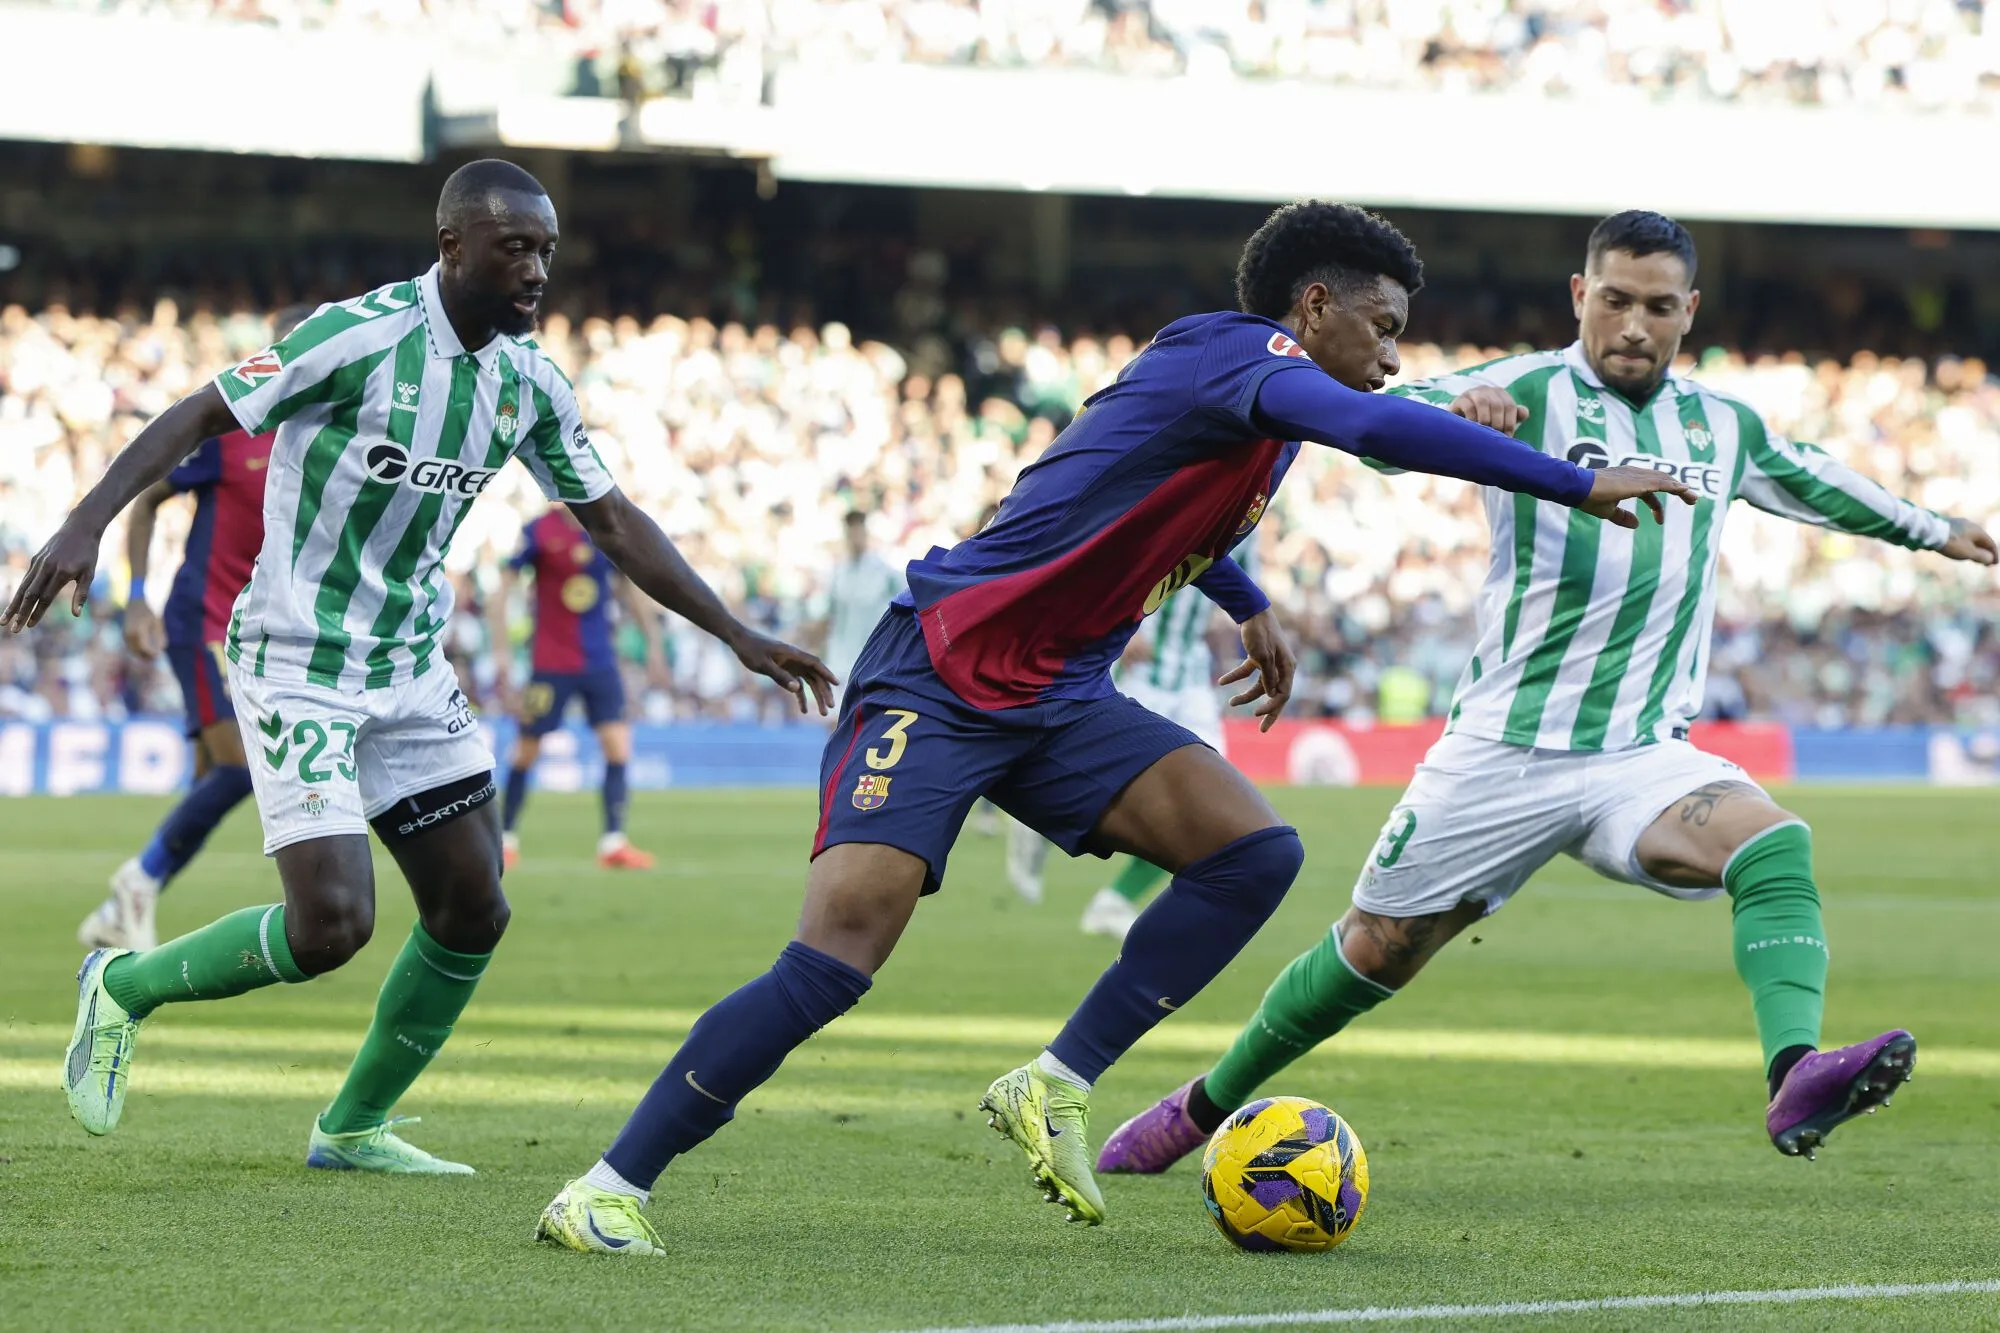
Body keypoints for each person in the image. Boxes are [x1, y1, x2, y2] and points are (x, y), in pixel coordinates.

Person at [533, 200, 1695, 1254]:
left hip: (1056, 693)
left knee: (1252, 854)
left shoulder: (1254, 400)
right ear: (1312, 305)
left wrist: (1248, 606)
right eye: (1383, 327)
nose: (1392, 357)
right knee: (832, 962)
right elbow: (1379, 431)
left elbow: (1153, 501)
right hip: (938, 670)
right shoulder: (1235, 354)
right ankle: (606, 1185)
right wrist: (1570, 478)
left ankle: (1053, 1079)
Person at [1097, 210, 1998, 1178]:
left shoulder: (1720, 427)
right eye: (1612, 300)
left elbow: (1816, 480)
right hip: (1499, 750)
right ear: (1579, 296)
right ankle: (1201, 1106)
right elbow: (1375, 431)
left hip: (1641, 757)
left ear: (1687, 311)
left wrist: (1932, 528)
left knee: (1771, 841)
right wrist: (1461, 414)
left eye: (1657, 306)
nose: (1632, 325)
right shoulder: (1519, 389)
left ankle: (1793, 1072)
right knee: (1377, 948)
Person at [8, 158, 834, 1173]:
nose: (536, 270)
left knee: (474, 906)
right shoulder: (357, 336)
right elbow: (199, 412)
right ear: (453, 245)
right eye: (514, 248)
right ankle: (122, 987)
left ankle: (352, 1127)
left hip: (407, 665)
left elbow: (611, 518)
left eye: (547, 251)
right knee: (330, 927)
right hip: (297, 658)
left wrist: (735, 631)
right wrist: (84, 522)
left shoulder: (528, 380)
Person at [79, 306, 312, 951]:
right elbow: (148, 499)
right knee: (240, 772)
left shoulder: (329, 440)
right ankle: (137, 882)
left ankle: (120, 908)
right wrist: (135, 601)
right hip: (205, 619)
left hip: (262, 635)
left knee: (212, 781)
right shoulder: (235, 429)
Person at [1004, 530, 1252, 925]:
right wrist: (1118, 627)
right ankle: (1039, 818)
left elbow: (1234, 596)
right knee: (1117, 785)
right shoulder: (1176, 495)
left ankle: (1114, 901)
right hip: (1139, 669)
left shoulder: (1247, 521)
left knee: (1211, 806)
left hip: (1190, 678)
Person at [491, 505, 670, 871]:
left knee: (618, 747)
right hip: (550, 662)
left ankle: (613, 842)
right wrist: (501, 649)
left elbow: (629, 587)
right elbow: (504, 588)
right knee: (526, 750)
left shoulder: (606, 528)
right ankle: (504, 838)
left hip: (599, 661)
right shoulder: (539, 529)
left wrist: (653, 642)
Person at [821, 508, 907, 687]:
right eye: (851, 532)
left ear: (865, 533)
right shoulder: (838, 573)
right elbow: (830, 616)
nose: (855, 537)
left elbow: (904, 606)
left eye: (858, 531)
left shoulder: (884, 572)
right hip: (840, 661)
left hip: (873, 659)